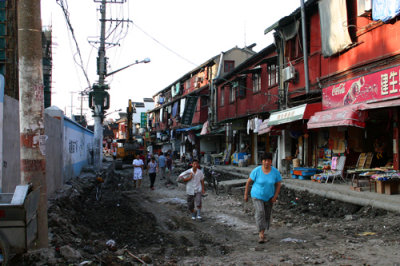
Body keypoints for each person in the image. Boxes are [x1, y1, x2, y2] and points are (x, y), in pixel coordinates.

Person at [244, 152, 282, 244]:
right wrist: (246, 194)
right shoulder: (256, 171)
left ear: (271, 162)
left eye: (268, 160)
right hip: (257, 195)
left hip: (269, 196)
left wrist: (275, 196)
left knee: (266, 215)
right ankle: (261, 234)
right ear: (262, 161)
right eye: (264, 160)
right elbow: (248, 182)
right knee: (260, 212)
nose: (266, 162)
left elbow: (279, 184)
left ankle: (263, 232)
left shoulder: (275, 172)